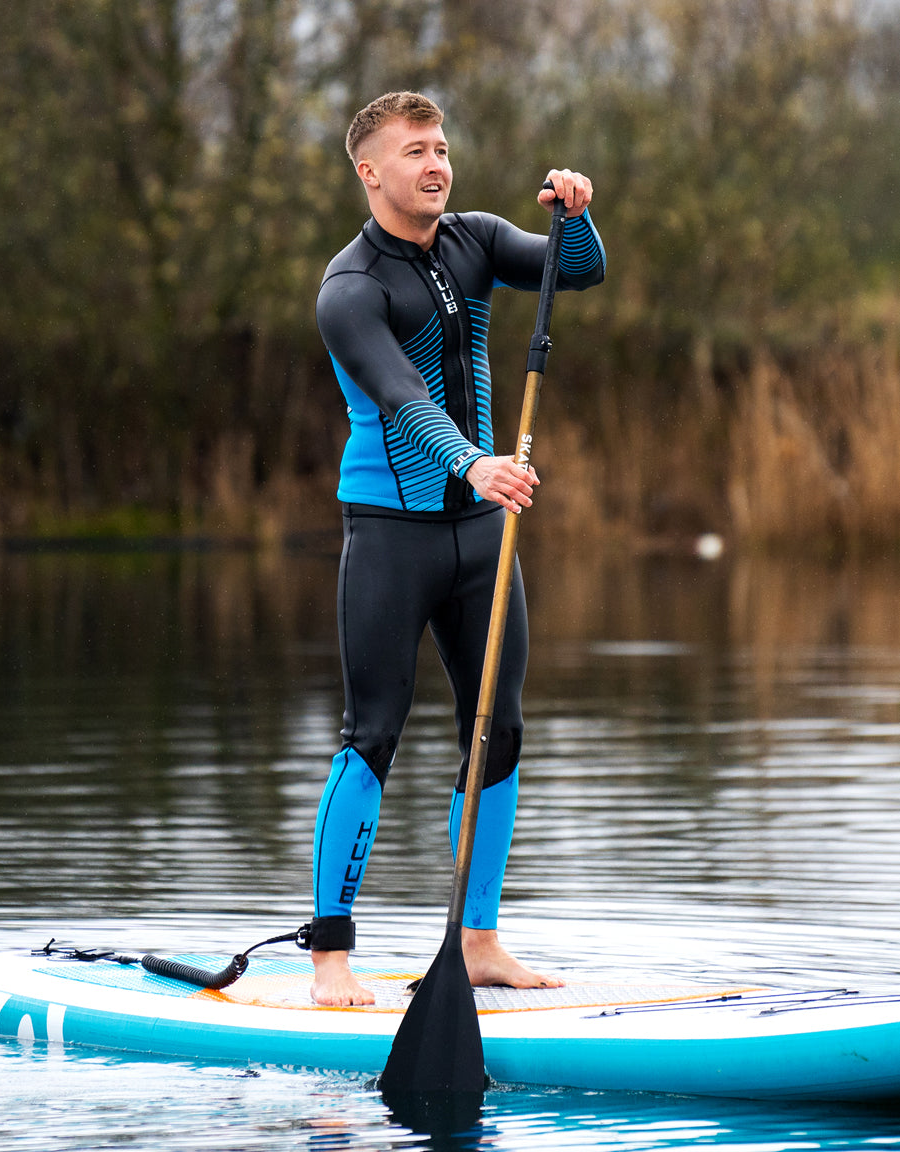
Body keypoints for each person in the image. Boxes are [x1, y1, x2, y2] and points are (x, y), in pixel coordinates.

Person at [309, 91, 605, 1006]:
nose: (436, 164)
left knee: (498, 730)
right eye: (415, 151)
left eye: (440, 147)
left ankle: (477, 943)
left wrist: (576, 216)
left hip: (481, 534)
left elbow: (576, 271)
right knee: (373, 733)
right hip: (391, 534)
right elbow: (401, 395)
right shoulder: (350, 289)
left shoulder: (475, 239)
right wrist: (474, 463)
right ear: (370, 172)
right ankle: (329, 957)